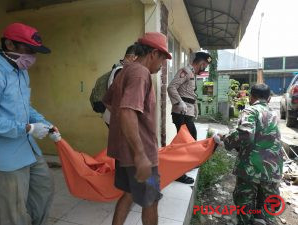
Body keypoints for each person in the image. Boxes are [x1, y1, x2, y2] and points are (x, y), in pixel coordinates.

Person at [103, 32, 171, 225]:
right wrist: (140, 155)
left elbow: (109, 102)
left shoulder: (125, 71)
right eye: (163, 58)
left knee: (129, 194)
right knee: (151, 200)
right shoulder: (141, 73)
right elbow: (126, 111)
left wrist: (124, 127)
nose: (163, 64)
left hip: (125, 153)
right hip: (140, 156)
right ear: (154, 53)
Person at [0, 23, 61, 225]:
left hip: (27, 148)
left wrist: (45, 124)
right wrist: (27, 128)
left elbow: (25, 107)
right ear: (9, 44)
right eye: (28, 50)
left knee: (44, 187)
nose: (32, 57)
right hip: (6, 155)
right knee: (13, 209)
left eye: (35, 52)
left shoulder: (21, 71)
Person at [216, 84, 283, 225]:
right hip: (272, 169)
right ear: (269, 99)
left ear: (251, 97)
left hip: (251, 168)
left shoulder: (251, 110)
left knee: (244, 206)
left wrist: (226, 140)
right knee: (268, 209)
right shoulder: (274, 114)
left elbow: (246, 134)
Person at [167, 51, 212, 184]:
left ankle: (187, 164)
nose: (204, 69)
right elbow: (171, 87)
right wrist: (179, 102)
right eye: (205, 66)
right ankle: (178, 173)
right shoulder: (185, 71)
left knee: (189, 141)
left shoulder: (192, 74)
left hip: (187, 113)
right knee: (184, 143)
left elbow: (190, 95)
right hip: (181, 113)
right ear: (202, 63)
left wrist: (195, 110)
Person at [102, 44, 137, 126]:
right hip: (115, 117)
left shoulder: (120, 68)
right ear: (132, 57)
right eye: (138, 59)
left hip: (113, 116)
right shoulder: (121, 71)